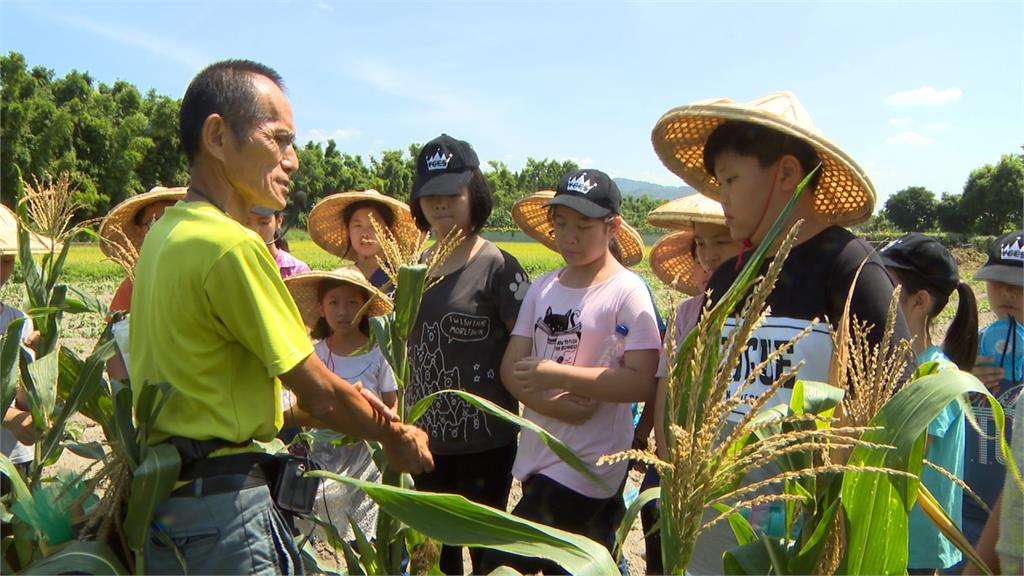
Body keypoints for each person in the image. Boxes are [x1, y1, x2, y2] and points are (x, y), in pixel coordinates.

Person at [129, 59, 432, 575]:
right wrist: (392, 438)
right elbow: (318, 390)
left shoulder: (165, 237)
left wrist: (333, 407)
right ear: (218, 135)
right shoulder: (230, 246)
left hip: (172, 504)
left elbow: (237, 393)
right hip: (224, 514)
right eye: (279, 139)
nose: (292, 160)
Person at [651, 92, 912, 573]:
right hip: (717, 513)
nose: (720, 196)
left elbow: (896, 406)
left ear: (786, 173)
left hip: (803, 527)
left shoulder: (850, 270)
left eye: (731, 179)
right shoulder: (731, 276)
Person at [482, 169, 661, 575]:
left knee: (501, 563)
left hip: (589, 466)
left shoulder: (627, 292)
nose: (570, 237)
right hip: (539, 454)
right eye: (561, 225)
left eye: (583, 226)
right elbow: (512, 367)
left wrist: (554, 374)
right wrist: (554, 402)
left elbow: (641, 380)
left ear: (612, 227)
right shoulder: (543, 288)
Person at [404, 134, 530, 575]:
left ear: (473, 194)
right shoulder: (412, 268)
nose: (440, 205)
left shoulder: (499, 267)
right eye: (430, 195)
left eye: (451, 194)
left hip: (484, 442)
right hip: (425, 442)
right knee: (434, 557)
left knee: (486, 552)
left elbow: (524, 349)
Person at [643, 194, 742, 575]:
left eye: (722, 240)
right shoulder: (686, 314)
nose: (709, 253)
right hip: (684, 456)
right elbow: (666, 391)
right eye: (701, 244)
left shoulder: (762, 311)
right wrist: (671, 466)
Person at [879, 233, 977, 573]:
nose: (872, 294)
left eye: (884, 285)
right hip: (887, 537)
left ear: (918, 301)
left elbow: (905, 459)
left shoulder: (935, 374)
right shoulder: (892, 366)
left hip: (913, 547)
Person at [283, 266, 396, 544]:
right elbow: (302, 406)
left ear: (365, 308)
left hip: (368, 460)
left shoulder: (378, 353)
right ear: (321, 308)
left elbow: (393, 408)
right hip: (324, 457)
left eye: (352, 303)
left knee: (367, 538)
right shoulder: (315, 356)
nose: (342, 311)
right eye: (334, 302)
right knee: (327, 537)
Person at [959, 231, 1024, 558]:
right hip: (967, 509)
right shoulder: (969, 347)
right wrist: (963, 376)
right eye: (998, 281)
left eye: (1021, 285)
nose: (1009, 291)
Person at [98, 187, 184, 381]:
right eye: (153, 223)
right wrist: (125, 398)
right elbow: (111, 344)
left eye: (171, 219)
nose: (164, 228)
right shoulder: (133, 283)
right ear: (141, 232)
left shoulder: (201, 270)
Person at [0, 204, 52, 495]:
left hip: (15, 461)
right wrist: (10, 420)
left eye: (6, 260)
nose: (1, 270)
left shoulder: (18, 320)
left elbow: (21, 398)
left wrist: (39, 366)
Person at [307, 189, 419, 289]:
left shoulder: (402, 279)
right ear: (348, 231)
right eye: (357, 225)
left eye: (374, 225)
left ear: (388, 231)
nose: (365, 234)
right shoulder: (341, 279)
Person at [246, 206, 310, 278]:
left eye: (264, 223)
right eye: (246, 223)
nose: (255, 230)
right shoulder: (234, 266)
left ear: (279, 221)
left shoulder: (298, 271)